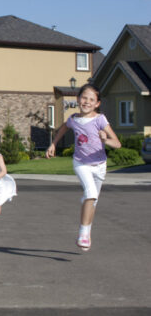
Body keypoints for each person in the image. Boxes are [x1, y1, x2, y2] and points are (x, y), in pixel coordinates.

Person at [46, 83, 120, 251]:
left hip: (100, 166)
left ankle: (87, 231)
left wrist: (105, 140)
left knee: (92, 201)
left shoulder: (100, 120)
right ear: (78, 99)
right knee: (91, 194)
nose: (87, 102)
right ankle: (83, 233)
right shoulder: (73, 119)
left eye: (91, 99)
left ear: (97, 104)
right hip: (81, 163)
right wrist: (53, 144)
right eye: (84, 98)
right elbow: (63, 128)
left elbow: (117, 143)